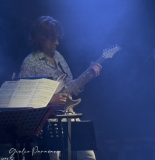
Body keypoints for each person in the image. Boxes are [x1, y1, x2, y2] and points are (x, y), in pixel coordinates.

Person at [18, 16, 102, 160]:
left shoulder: (58, 57)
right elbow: (23, 98)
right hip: (47, 122)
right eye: (52, 39)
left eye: (57, 38)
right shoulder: (30, 63)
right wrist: (50, 99)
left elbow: (71, 88)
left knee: (88, 156)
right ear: (41, 38)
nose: (57, 42)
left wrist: (88, 77)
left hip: (68, 115)